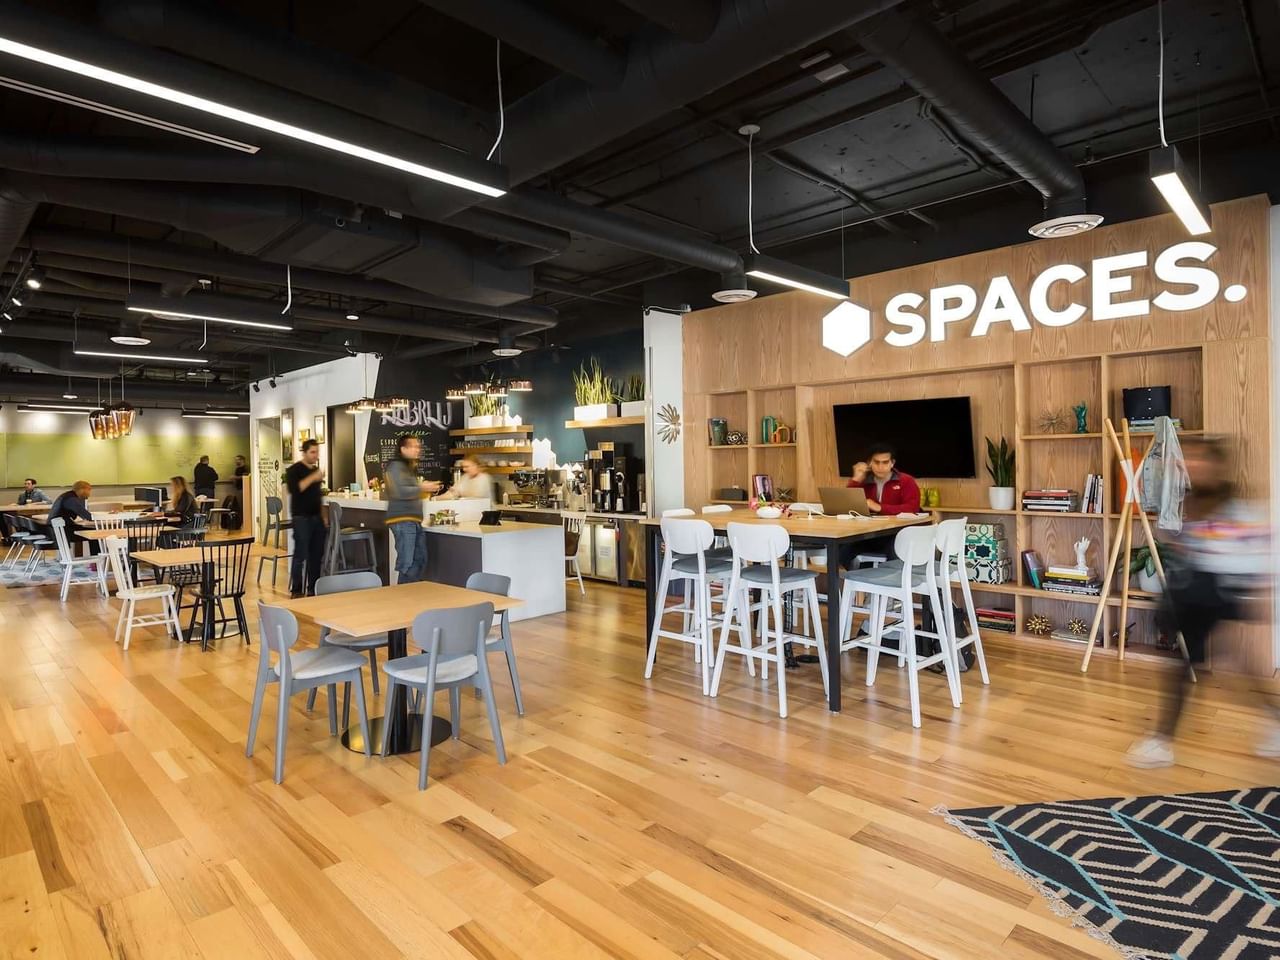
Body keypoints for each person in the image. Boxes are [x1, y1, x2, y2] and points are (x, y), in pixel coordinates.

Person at [1126, 436, 1276, 768]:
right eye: (1189, 461)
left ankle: (1162, 742)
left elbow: (1257, 546)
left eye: (1200, 461)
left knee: (1189, 667)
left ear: (1216, 466)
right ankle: (1273, 722)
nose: (1192, 466)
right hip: (1200, 595)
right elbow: (1193, 546)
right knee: (1230, 665)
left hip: (1220, 593)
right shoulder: (1195, 502)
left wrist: (1260, 593)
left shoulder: (1234, 507)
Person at [384, 433, 441, 584]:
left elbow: (409, 491)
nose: (418, 449)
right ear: (403, 449)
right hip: (403, 520)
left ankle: (412, 593)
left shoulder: (407, 467)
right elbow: (400, 492)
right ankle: (403, 595)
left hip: (413, 520)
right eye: (414, 447)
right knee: (408, 563)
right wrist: (422, 487)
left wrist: (423, 489)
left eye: (418, 447)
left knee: (419, 560)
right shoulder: (395, 466)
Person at [285, 439, 326, 598]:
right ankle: (296, 590)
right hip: (301, 517)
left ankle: (313, 589)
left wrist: (323, 516)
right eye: (312, 452)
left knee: (316, 555)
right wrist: (314, 477)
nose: (315, 455)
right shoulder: (294, 470)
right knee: (300, 554)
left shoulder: (315, 470)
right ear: (304, 452)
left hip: (316, 518)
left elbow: (318, 495)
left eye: (317, 452)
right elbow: (295, 489)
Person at [847, 443, 922, 515]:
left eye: (885, 462)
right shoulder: (863, 480)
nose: (880, 467)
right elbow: (848, 505)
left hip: (898, 523)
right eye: (876, 462)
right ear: (870, 463)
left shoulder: (906, 480)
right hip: (870, 523)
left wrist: (880, 508)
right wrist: (856, 480)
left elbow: (913, 508)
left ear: (892, 463)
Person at [233, 455, 249, 527]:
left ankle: (244, 522)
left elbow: (245, 477)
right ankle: (241, 522)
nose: (236, 461)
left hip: (243, 489)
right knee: (239, 506)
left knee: (242, 506)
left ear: (242, 460)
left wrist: (235, 477)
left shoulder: (245, 468)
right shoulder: (237, 469)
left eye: (237, 460)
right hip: (238, 489)